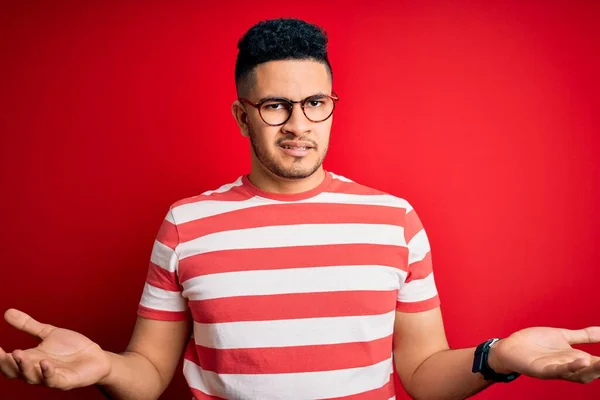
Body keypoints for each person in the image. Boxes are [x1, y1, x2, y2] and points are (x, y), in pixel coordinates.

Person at [1, 18, 598, 400]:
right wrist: (104, 367)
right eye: (275, 106)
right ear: (242, 116)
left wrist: (499, 357)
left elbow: (420, 373)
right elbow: (150, 372)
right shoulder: (186, 223)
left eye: (315, 103)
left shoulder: (394, 220)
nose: (297, 126)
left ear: (333, 105)